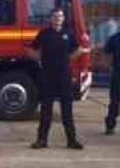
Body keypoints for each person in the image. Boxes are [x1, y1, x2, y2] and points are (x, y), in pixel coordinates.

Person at [29, 8, 86, 150]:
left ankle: (72, 140)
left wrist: (68, 59)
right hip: (48, 76)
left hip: (64, 75)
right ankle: (41, 140)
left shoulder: (68, 33)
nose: (58, 19)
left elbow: (79, 49)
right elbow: (31, 50)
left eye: (60, 16)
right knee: (46, 110)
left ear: (63, 18)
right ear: (51, 19)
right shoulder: (44, 33)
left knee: (67, 110)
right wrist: (41, 59)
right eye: (55, 16)